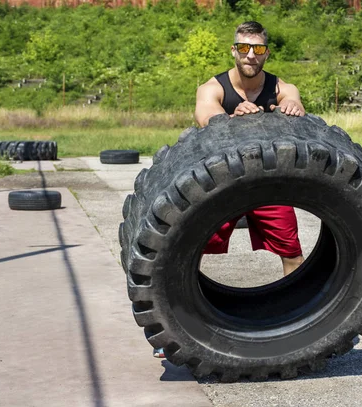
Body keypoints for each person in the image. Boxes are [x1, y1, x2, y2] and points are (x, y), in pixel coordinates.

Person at [153, 21, 305, 359]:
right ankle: (177, 327)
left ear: (266, 52)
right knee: (187, 251)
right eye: (244, 48)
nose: (251, 55)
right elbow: (205, 115)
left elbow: (294, 100)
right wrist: (230, 115)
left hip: (267, 181)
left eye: (259, 49)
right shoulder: (214, 87)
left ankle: (300, 318)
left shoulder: (281, 86)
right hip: (220, 182)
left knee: (291, 250)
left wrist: (294, 107)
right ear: (233, 51)